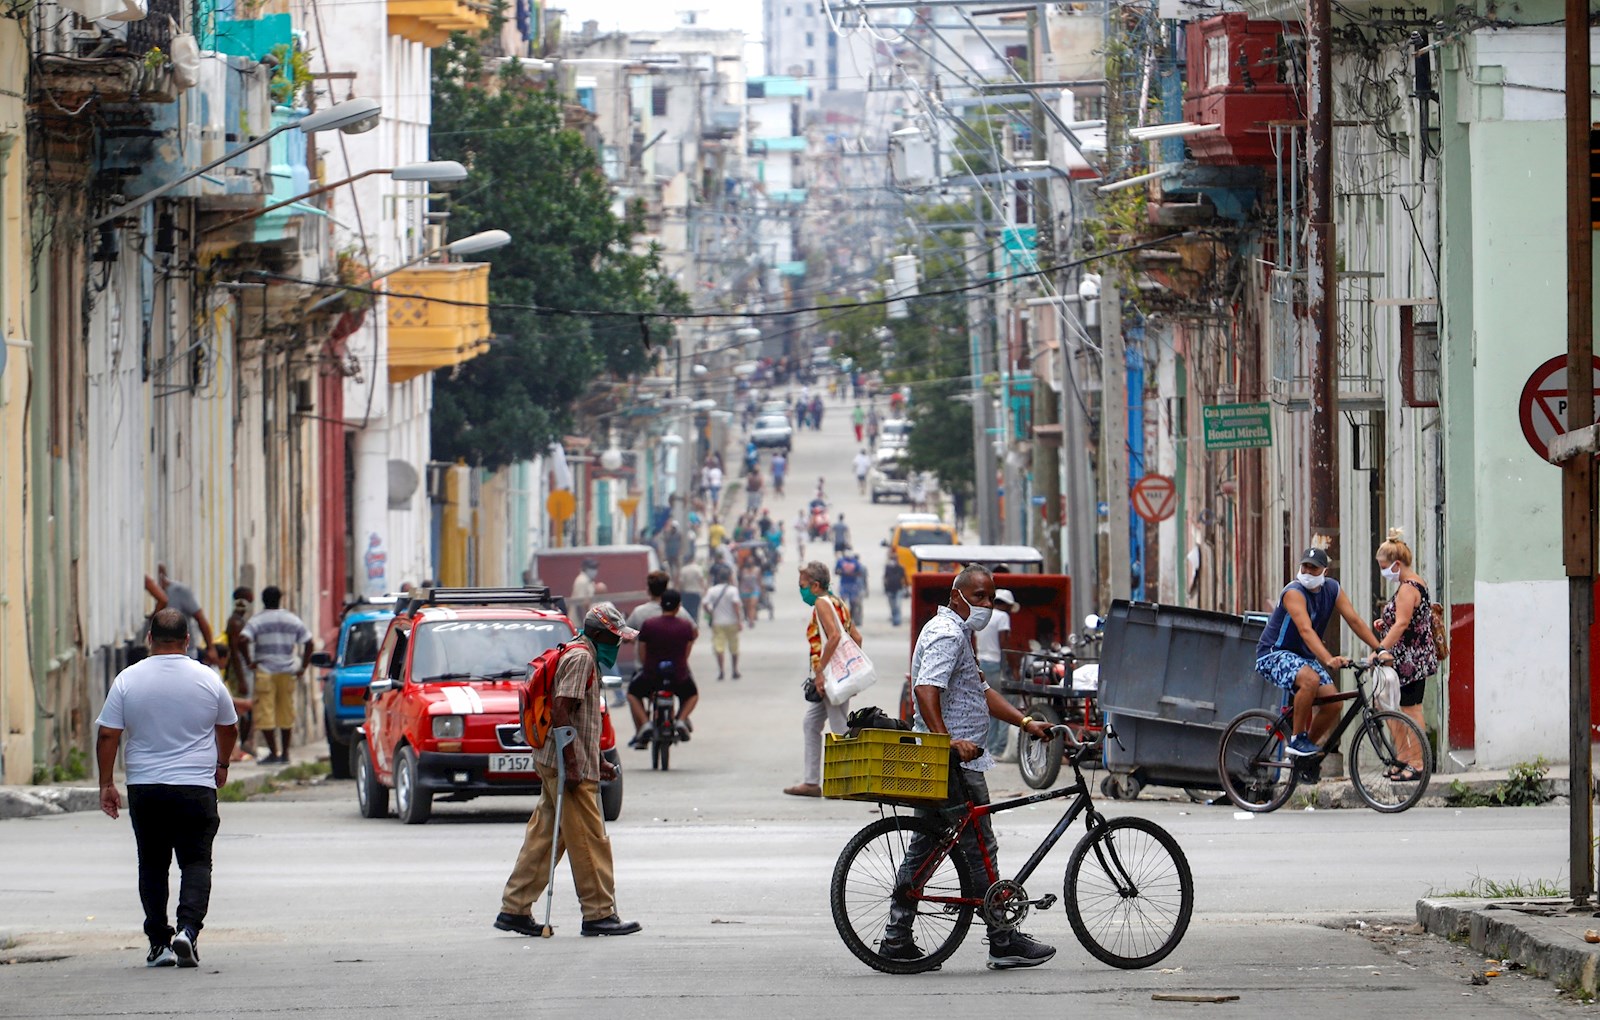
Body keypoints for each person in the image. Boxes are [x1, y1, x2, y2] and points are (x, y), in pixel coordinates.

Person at [884, 565, 1056, 968]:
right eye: (979, 597)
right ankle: (1002, 938)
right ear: (956, 595)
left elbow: (982, 690)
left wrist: (1027, 723)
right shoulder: (947, 633)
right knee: (980, 849)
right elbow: (925, 688)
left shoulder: (955, 633)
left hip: (939, 761)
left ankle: (896, 936)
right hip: (953, 765)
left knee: (924, 848)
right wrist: (947, 742)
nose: (986, 606)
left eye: (991, 599)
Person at [95, 607, 239, 969]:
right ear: (187, 640)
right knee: (195, 861)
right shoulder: (207, 678)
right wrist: (221, 764)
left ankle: (159, 943)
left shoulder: (127, 679)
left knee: (153, 864)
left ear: (149, 639)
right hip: (195, 785)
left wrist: (106, 783)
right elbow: (229, 726)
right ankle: (187, 932)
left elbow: (108, 733)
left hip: (146, 786)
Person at [496, 603, 640, 938]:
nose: (617, 645)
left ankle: (514, 908)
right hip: (565, 764)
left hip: (558, 758)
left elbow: (578, 717)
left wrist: (597, 760)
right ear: (600, 634)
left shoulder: (580, 653)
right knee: (589, 839)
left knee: (547, 835)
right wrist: (573, 763)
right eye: (615, 638)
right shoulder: (581, 658)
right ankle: (598, 914)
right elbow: (562, 709)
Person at [1255, 547, 1392, 757]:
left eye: (1314, 568)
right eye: (1305, 566)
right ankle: (1297, 740)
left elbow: (1354, 620)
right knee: (1309, 680)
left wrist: (1379, 649)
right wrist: (1328, 659)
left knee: (1334, 703)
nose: (1308, 572)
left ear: (1325, 572)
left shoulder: (1332, 589)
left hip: (1303, 657)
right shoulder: (1294, 592)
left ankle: (1304, 757)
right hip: (1274, 654)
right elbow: (1305, 630)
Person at [784, 562, 863, 798]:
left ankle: (848, 784)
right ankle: (811, 782)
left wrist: (822, 671)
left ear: (815, 585)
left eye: (803, 586)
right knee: (811, 723)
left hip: (830, 676)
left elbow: (836, 636)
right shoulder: (838, 603)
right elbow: (856, 637)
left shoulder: (822, 603)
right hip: (836, 674)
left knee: (839, 727)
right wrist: (851, 670)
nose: (801, 591)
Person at [1372, 528, 1438, 781]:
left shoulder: (1408, 587)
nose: (1384, 571)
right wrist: (1384, 624)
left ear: (1397, 564)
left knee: (1411, 710)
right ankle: (1405, 758)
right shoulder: (1410, 584)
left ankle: (1418, 762)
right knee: (1398, 708)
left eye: (1385, 566)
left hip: (1411, 661)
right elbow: (1404, 621)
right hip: (1410, 657)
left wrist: (1380, 649)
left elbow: (1402, 623)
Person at [236, 586, 312, 765]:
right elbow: (309, 642)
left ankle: (273, 752)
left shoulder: (257, 620)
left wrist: (249, 661)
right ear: (280, 599)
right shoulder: (292, 619)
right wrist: (303, 667)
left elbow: (242, 640)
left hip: (265, 671)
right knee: (286, 713)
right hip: (287, 670)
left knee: (265, 713)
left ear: (263, 600)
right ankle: (285, 753)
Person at [627, 590, 699, 746]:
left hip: (651, 675)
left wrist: (647, 666)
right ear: (678, 607)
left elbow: (642, 650)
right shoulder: (685, 626)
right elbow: (687, 650)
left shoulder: (649, 624)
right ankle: (680, 720)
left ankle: (645, 723)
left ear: (661, 605)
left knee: (632, 693)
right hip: (678, 675)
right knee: (692, 695)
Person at [144, 564, 218, 662]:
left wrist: (210, 647)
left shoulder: (179, 592)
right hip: (160, 652)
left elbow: (200, 618)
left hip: (185, 651)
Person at [978, 589, 1017, 759]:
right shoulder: (1002, 617)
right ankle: (999, 749)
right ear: (1006, 604)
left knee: (989, 707)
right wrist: (1013, 668)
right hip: (995, 665)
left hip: (981, 663)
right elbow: (1004, 645)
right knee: (1005, 705)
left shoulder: (984, 615)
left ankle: (990, 747)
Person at [222, 587, 255, 762]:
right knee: (242, 709)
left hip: (242, 669)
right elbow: (235, 652)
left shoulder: (240, 621)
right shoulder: (235, 622)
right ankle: (240, 744)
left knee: (245, 709)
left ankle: (243, 743)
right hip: (239, 671)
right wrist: (242, 678)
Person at [703, 567, 743, 680]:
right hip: (732, 622)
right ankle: (735, 670)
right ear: (729, 577)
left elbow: (705, 603)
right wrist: (739, 621)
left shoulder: (712, 590)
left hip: (717, 622)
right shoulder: (733, 590)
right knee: (734, 647)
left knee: (719, 647)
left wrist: (710, 613)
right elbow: (736, 606)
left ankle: (721, 671)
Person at [835, 547, 868, 622]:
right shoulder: (840, 561)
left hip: (853, 585)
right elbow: (836, 571)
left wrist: (852, 574)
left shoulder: (855, 562)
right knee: (842, 602)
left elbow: (860, 573)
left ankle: (851, 617)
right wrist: (843, 573)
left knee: (853, 603)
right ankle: (842, 617)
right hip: (844, 584)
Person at [569, 557, 600, 624]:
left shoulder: (589, 581)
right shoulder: (582, 581)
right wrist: (584, 622)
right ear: (585, 568)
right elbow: (579, 604)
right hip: (577, 622)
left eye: (595, 567)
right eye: (591, 568)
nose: (594, 570)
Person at [678, 559, 706, 624]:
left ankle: (687, 623)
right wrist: (704, 589)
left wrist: (679, 591)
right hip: (696, 592)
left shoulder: (683, 569)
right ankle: (694, 623)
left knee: (686, 610)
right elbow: (701, 579)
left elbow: (681, 582)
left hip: (686, 593)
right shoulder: (698, 569)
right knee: (695, 610)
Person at [882, 557, 907, 627]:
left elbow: (904, 578)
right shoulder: (888, 568)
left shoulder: (901, 568)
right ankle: (894, 620)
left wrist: (906, 588)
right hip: (890, 589)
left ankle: (897, 620)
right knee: (892, 606)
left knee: (898, 605)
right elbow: (885, 578)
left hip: (899, 589)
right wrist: (885, 588)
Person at [738, 558, 763, 627]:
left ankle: (751, 621)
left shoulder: (757, 570)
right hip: (744, 590)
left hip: (754, 590)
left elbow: (759, 580)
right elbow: (741, 581)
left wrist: (761, 589)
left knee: (752, 605)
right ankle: (749, 617)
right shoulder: (743, 571)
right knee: (747, 606)